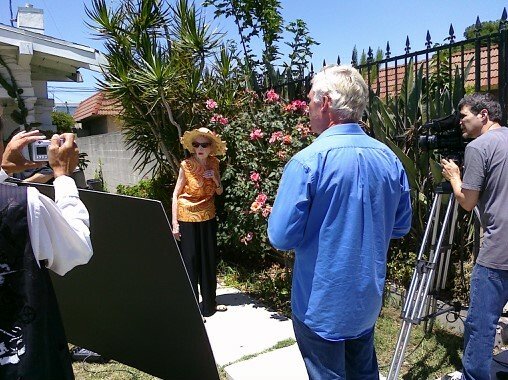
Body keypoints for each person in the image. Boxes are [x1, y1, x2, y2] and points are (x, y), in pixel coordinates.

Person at [267, 65, 412, 380]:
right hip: (367, 300)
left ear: (326, 103)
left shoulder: (307, 162)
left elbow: (281, 236)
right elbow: (400, 226)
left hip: (321, 305)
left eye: (309, 100)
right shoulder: (390, 159)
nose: (306, 108)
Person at [0, 123, 93, 379]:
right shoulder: (22, 203)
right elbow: (77, 250)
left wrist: (3, 170)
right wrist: (63, 176)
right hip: (24, 364)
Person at [441, 93, 508, 380]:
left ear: (483, 115)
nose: (460, 122)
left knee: (482, 323)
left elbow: (467, 202)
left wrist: (455, 176)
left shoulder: (479, 147)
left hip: (498, 248)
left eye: (464, 116)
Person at [172, 127, 228, 317]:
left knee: (208, 260)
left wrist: (215, 178)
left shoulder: (214, 164)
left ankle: (209, 304)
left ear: (211, 147)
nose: (199, 148)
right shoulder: (186, 165)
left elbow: (219, 191)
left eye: (204, 144)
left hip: (208, 216)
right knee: (191, 261)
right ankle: (192, 308)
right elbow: (176, 194)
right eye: (196, 144)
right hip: (187, 216)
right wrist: (175, 224)